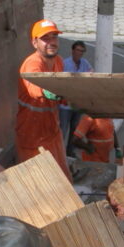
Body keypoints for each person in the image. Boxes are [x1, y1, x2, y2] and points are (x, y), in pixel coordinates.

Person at [16, 19, 73, 181]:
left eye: (54, 37)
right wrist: (48, 92)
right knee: (38, 184)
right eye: (45, 38)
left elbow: (59, 93)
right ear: (35, 42)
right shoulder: (32, 63)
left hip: (52, 131)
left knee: (63, 178)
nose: (51, 42)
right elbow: (34, 87)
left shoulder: (59, 61)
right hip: (32, 135)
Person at [61, 41, 93, 156]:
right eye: (78, 50)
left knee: (74, 130)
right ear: (72, 50)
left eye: (82, 51)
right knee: (63, 130)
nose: (80, 53)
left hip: (77, 104)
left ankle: (70, 152)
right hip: (65, 105)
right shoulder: (65, 64)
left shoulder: (85, 64)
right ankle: (60, 153)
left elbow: (91, 75)